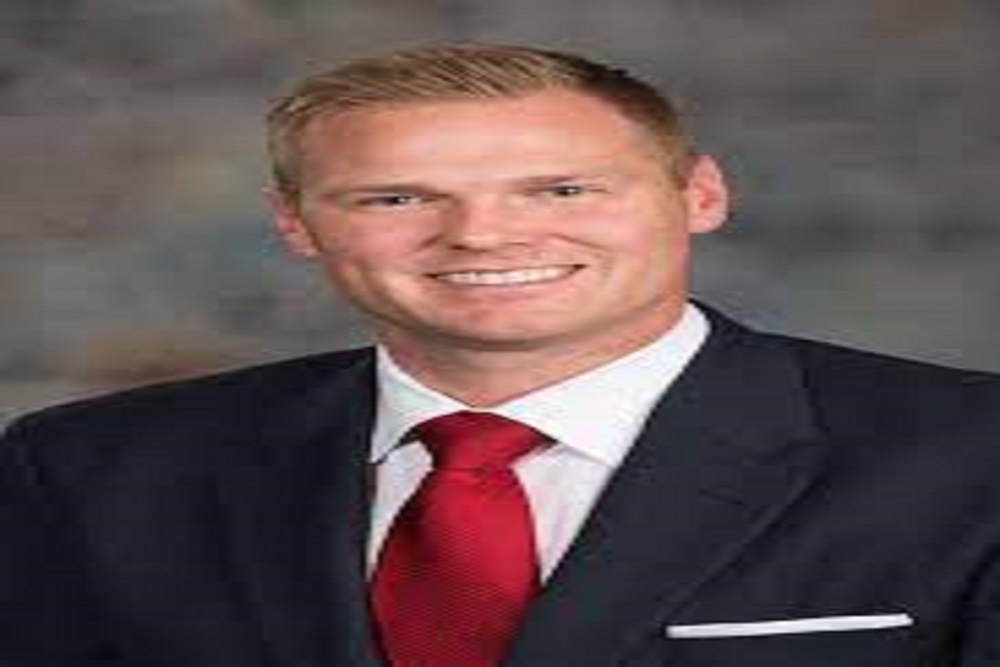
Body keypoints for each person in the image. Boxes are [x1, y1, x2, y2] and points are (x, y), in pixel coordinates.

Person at [2, 43, 1000, 667]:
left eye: (562, 190)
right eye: (396, 197)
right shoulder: (90, 469)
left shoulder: (969, 454)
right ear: (297, 223)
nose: (481, 235)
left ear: (700, 195)